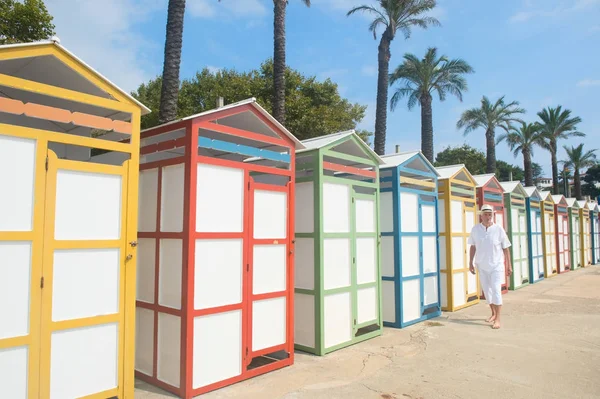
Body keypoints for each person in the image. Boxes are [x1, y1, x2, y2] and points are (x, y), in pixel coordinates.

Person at [468, 204, 512, 329]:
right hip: (481, 265)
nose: (488, 217)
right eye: (485, 214)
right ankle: (493, 313)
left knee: (496, 290)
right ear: (481, 215)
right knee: (487, 292)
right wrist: (470, 262)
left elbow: (506, 248)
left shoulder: (499, 229)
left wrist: (509, 265)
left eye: (490, 214)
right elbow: (473, 246)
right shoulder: (475, 229)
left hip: (496, 266)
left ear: (492, 215)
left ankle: (498, 319)